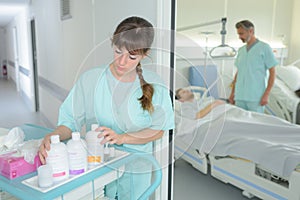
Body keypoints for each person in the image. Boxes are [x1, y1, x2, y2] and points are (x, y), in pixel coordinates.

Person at [38, 16, 174, 199]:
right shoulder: (90, 80)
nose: (122, 62)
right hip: (98, 164)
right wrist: (51, 137)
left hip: (137, 168)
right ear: (112, 44)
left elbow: (158, 130)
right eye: (118, 52)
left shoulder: (156, 85)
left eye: (132, 56)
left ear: (144, 55)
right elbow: (69, 121)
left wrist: (122, 138)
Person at [229, 20, 278, 113]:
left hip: (256, 97)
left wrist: (266, 94)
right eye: (238, 34)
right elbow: (239, 73)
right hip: (240, 96)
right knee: (240, 124)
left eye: (241, 34)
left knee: (256, 126)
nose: (239, 37)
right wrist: (233, 93)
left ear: (250, 31)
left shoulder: (264, 48)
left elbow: (272, 72)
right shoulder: (241, 50)